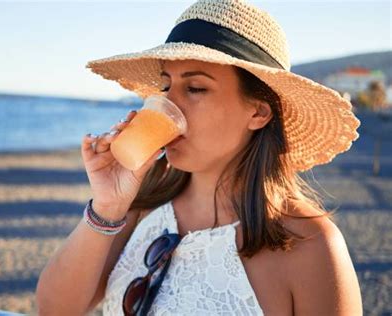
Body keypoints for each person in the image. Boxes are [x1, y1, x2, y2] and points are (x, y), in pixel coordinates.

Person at [35, 0, 363, 315]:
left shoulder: (310, 245)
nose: (169, 104)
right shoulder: (140, 206)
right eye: (165, 86)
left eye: (195, 88)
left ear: (258, 112)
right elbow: (55, 311)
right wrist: (106, 207)